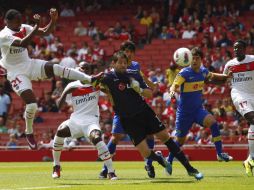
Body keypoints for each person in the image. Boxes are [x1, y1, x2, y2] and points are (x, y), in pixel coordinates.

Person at [0, 9, 102, 149]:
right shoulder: (3, 35)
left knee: (56, 67)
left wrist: (53, 20)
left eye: (20, 20)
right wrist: (35, 27)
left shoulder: (24, 27)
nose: (19, 24)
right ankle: (29, 132)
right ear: (7, 21)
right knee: (32, 105)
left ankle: (89, 79)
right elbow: (23, 43)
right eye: (16, 22)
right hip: (15, 72)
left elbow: (45, 32)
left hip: (28, 64)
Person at [99, 51, 203, 180]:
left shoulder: (134, 74)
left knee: (166, 137)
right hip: (128, 120)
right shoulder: (107, 78)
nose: (123, 65)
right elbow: (94, 84)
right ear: (113, 64)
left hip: (144, 112)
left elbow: (149, 94)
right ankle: (159, 158)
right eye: (119, 62)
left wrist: (140, 90)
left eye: (125, 63)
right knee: (146, 152)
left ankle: (190, 169)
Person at [167, 47, 233, 167]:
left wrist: (226, 76)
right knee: (180, 141)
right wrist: (172, 91)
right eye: (193, 58)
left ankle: (220, 153)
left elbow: (213, 75)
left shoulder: (203, 71)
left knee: (213, 123)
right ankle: (169, 160)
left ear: (201, 60)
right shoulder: (184, 73)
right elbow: (174, 85)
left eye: (197, 58)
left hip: (198, 110)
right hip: (184, 114)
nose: (195, 61)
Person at [100, 41, 157, 179]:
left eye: (131, 51)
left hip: (137, 108)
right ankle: (106, 168)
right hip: (122, 110)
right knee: (115, 137)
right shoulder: (114, 70)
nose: (129, 53)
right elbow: (104, 85)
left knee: (150, 135)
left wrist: (151, 85)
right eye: (126, 51)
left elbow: (142, 78)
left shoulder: (136, 66)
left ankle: (148, 164)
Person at [52, 62, 117, 180]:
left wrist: (103, 85)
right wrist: (66, 91)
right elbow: (59, 107)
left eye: (87, 68)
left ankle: (111, 172)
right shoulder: (72, 85)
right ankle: (56, 166)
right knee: (61, 131)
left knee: (97, 138)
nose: (84, 70)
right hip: (75, 120)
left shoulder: (95, 83)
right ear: (77, 70)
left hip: (91, 121)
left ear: (90, 71)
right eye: (82, 67)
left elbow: (109, 92)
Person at [223, 40, 254, 176]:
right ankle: (252, 158)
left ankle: (249, 159)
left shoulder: (252, 60)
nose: (236, 50)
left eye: (239, 47)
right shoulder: (230, 64)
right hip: (239, 95)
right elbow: (223, 79)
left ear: (245, 49)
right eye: (234, 48)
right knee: (252, 118)